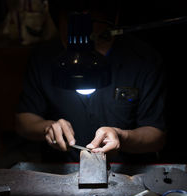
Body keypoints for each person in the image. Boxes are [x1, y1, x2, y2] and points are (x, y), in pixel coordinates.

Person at [15, 1, 166, 164]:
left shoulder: (143, 60)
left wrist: (121, 136)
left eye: (94, 42)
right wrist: (47, 128)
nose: (83, 57)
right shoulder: (43, 58)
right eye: (71, 40)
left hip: (124, 169)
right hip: (63, 168)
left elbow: (156, 136)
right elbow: (23, 121)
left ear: (112, 20)